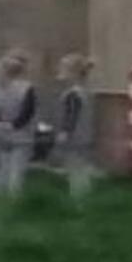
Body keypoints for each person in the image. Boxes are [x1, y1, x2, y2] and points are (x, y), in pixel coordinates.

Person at [0, 51, 36, 199]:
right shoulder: (27, 88)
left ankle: (2, 198)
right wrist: (14, 124)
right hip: (22, 134)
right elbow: (28, 111)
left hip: (2, 133)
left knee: (3, 168)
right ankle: (15, 200)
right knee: (17, 170)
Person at [56, 53, 98, 199]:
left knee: (74, 168)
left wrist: (65, 131)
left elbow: (71, 114)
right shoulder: (85, 91)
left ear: (72, 73)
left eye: (62, 69)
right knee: (82, 167)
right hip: (85, 134)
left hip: (75, 137)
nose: (60, 72)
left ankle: (77, 197)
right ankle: (84, 195)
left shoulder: (73, 94)